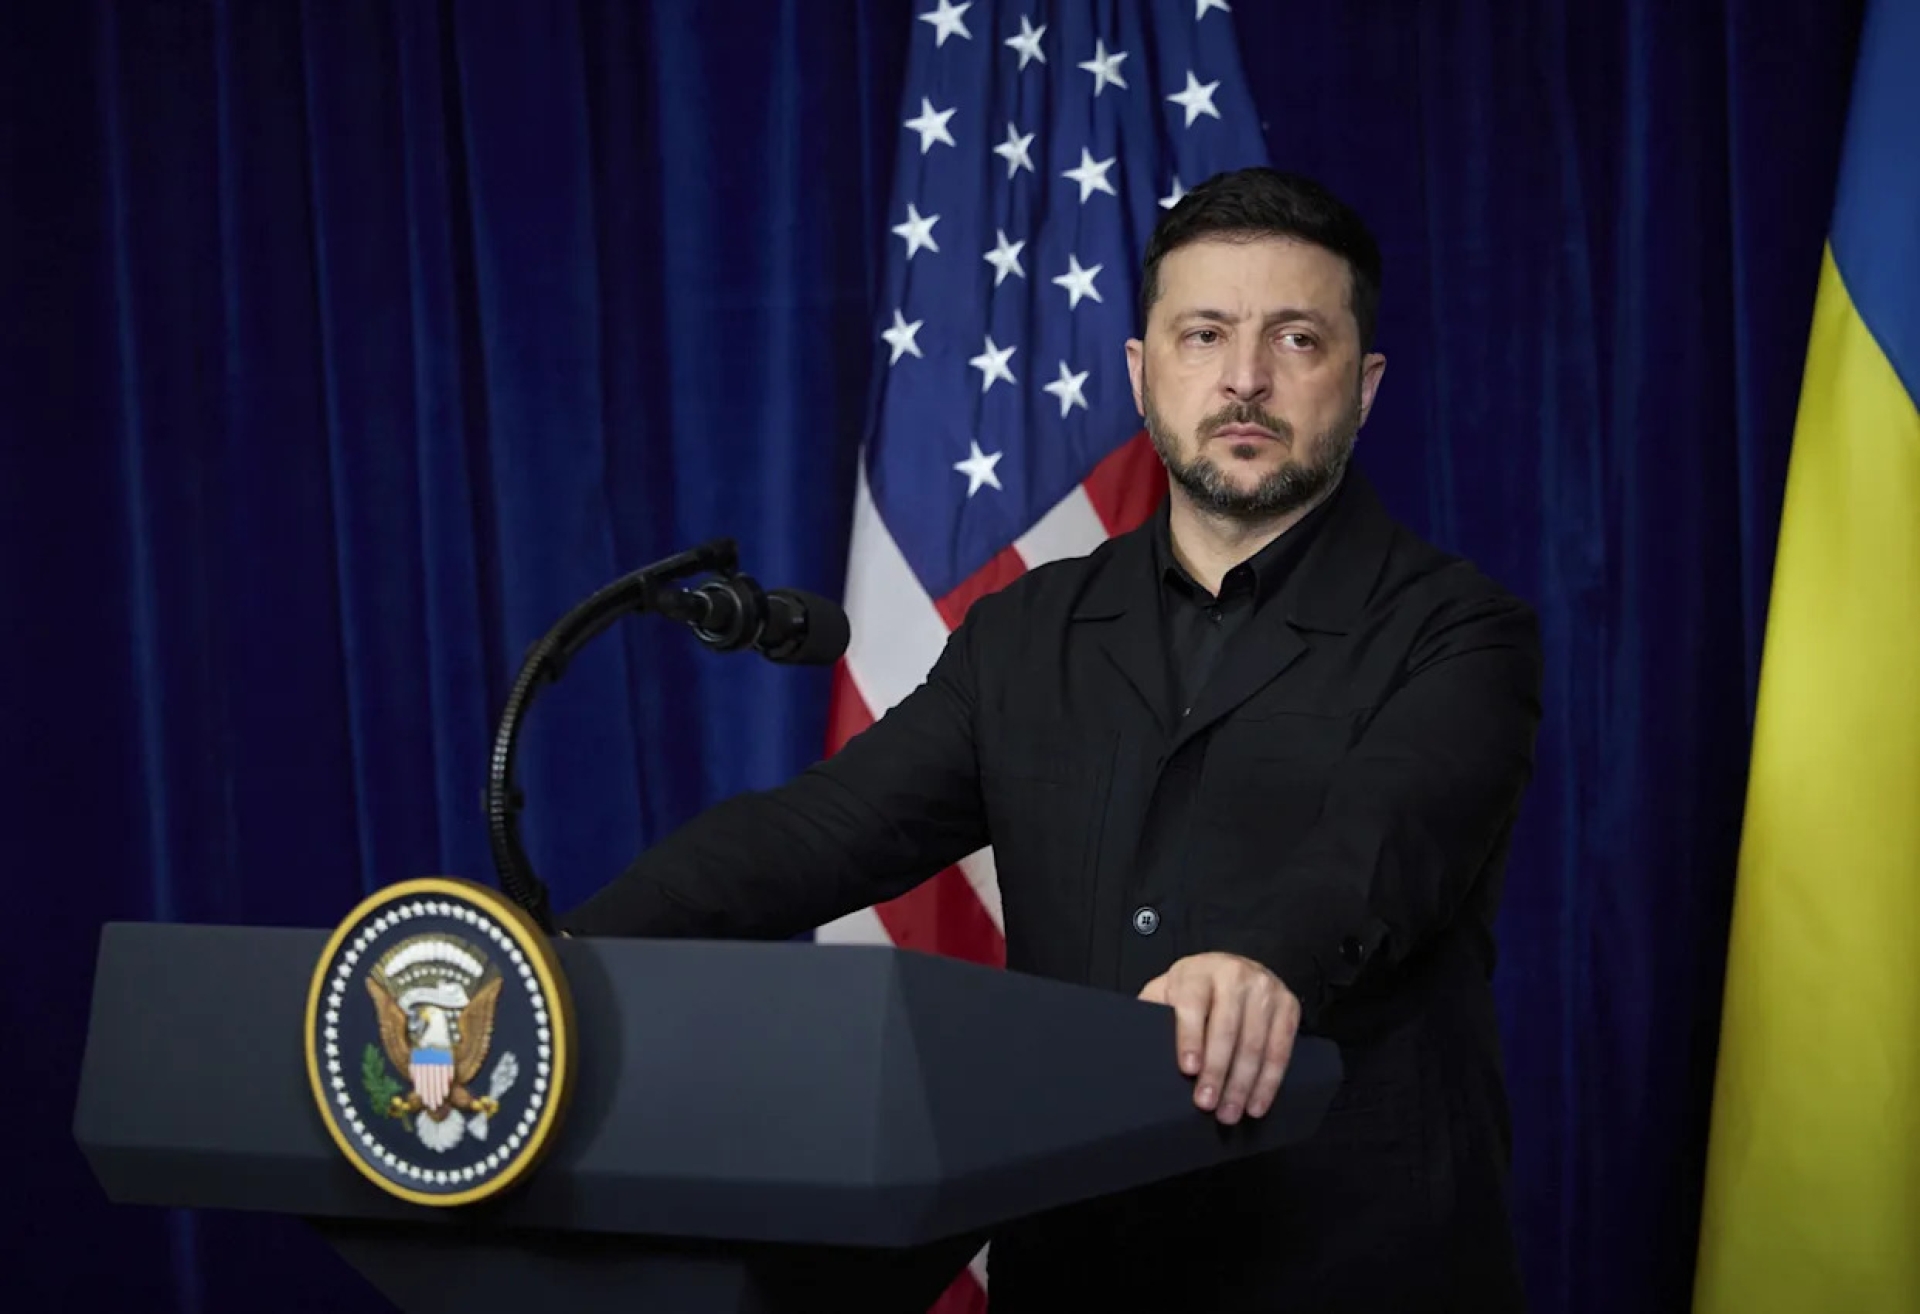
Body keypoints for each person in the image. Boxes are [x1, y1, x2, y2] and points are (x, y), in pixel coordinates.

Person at [562, 167, 1543, 1313]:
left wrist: (1263, 962)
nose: (1244, 378)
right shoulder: (1026, 633)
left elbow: (1383, 845)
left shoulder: (1461, 630)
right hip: (1080, 1266)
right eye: (1204, 335)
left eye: (1296, 339)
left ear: (1363, 386)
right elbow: (817, 833)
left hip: (1355, 1266)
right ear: (1140, 373)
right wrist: (561, 957)